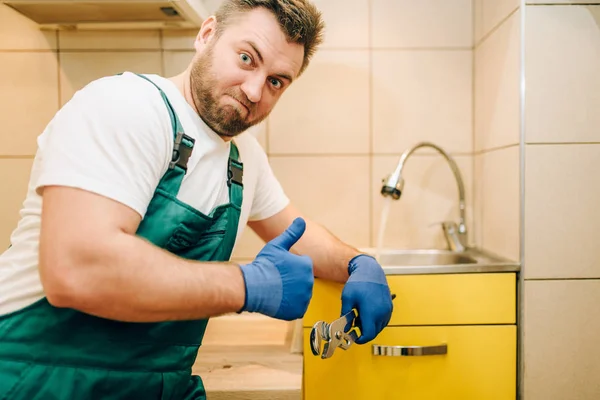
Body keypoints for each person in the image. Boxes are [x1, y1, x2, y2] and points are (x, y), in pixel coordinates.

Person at [0, 0, 393, 398]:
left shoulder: (243, 158)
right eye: (246, 58)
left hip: (160, 386)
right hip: (39, 377)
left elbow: (298, 233)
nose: (255, 90)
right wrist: (246, 286)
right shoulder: (128, 105)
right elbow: (77, 269)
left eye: (276, 81)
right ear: (206, 35)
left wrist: (358, 264)